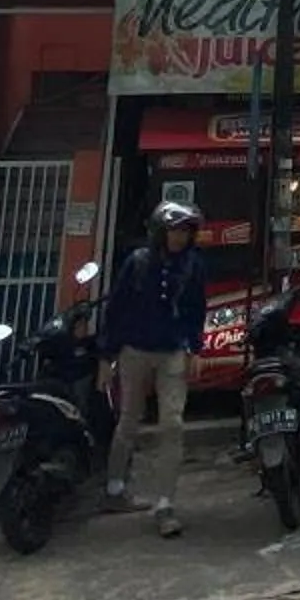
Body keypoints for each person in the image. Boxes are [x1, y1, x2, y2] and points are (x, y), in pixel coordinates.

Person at [101, 199, 209, 537]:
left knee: (172, 425)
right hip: (134, 351)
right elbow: (116, 309)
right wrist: (106, 357)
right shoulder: (137, 263)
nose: (180, 238)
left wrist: (195, 347)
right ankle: (115, 487)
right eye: (175, 231)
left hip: (173, 352)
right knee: (128, 420)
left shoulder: (192, 266)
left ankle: (165, 503)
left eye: (185, 232)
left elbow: (196, 310)